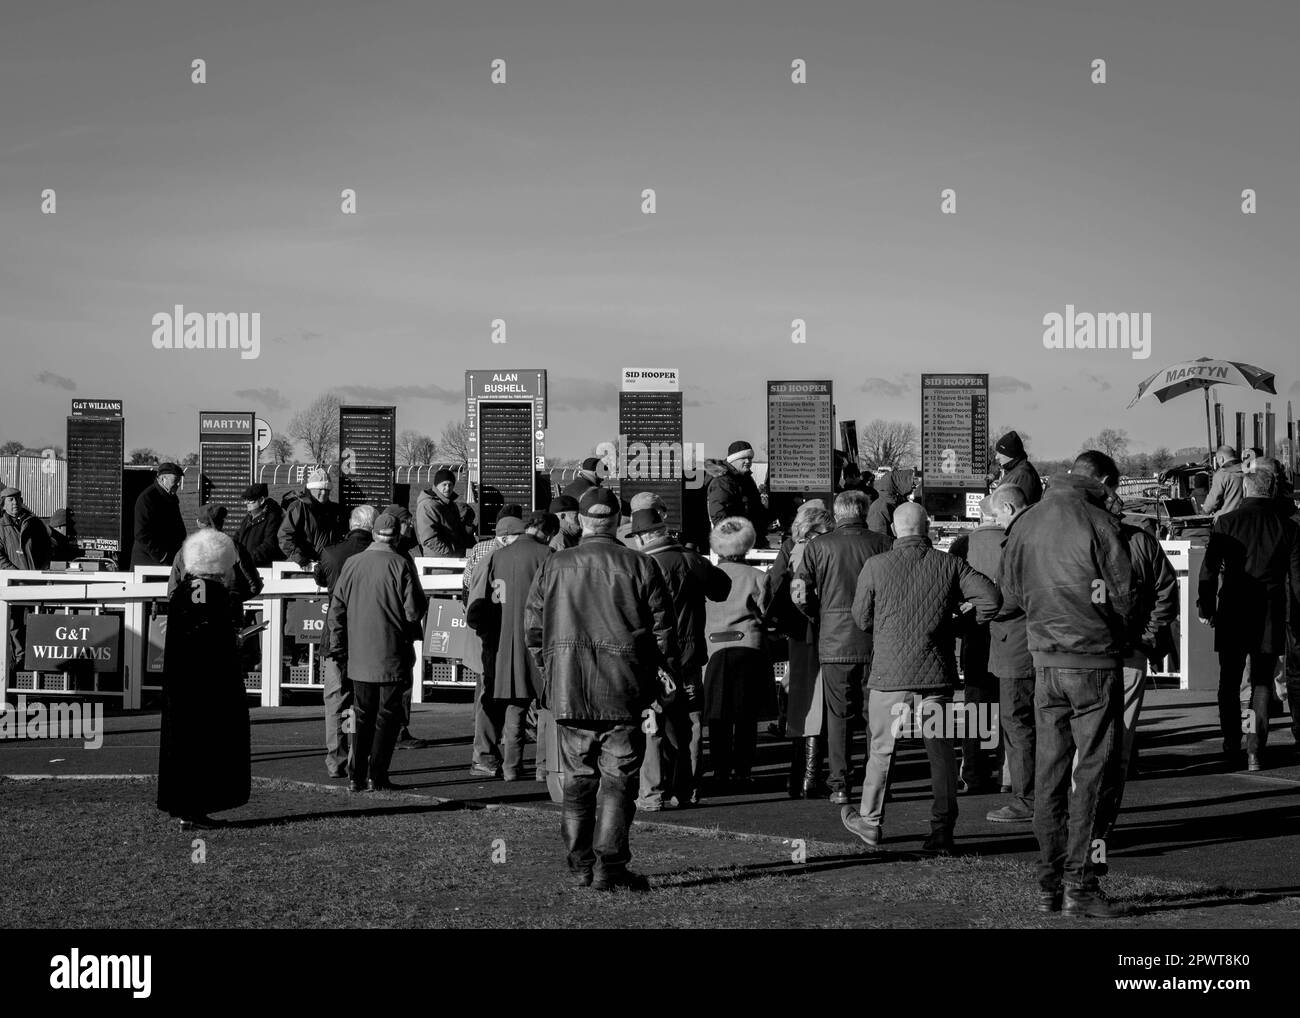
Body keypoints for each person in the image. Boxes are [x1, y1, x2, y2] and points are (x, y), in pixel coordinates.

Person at [999, 450, 1136, 919]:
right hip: (1093, 659)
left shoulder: (1027, 521)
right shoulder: (1099, 521)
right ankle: (1081, 883)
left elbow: (1011, 593)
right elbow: (1123, 594)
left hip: (1044, 660)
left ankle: (1049, 883)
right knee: (1091, 774)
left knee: (1049, 773)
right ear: (1102, 479)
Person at [524, 486, 676, 890]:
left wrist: (551, 670)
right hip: (623, 687)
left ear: (584, 521)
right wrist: (654, 676)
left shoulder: (556, 565)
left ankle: (581, 866)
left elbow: (534, 629)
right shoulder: (640, 565)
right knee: (619, 781)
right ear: (617, 520)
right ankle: (609, 865)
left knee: (578, 781)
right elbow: (663, 633)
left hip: (569, 686)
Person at [842, 502, 1000, 854]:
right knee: (940, 754)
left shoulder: (876, 566)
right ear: (927, 528)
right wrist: (958, 625)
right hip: (936, 673)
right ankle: (943, 830)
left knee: (881, 750)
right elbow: (990, 599)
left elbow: (861, 618)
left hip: (889, 675)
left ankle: (870, 822)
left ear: (896, 530)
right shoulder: (950, 564)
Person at [627, 506, 731, 809]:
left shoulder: (643, 564)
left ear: (645, 536)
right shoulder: (692, 559)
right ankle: (687, 789)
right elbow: (722, 588)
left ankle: (652, 792)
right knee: (690, 722)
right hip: (690, 656)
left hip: (654, 657)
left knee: (653, 722)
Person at [1198, 464, 1300, 771]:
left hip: (1233, 607)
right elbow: (1297, 581)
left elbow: (1209, 568)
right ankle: (1256, 748)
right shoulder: (1289, 527)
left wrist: (1206, 605)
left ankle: (1231, 741)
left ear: (1246, 489)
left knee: (1228, 680)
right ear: (1271, 491)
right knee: (1262, 681)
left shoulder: (1226, 522)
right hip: (1270, 611)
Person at [1095, 472, 1179, 842]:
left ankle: (1088, 824)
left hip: (1091, 654)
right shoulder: (1142, 542)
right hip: (1130, 653)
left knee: (1088, 740)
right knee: (1121, 741)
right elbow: (1166, 592)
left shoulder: (1086, 545)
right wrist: (1147, 637)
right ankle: (1103, 823)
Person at [795, 490, 891, 803]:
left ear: (837, 514)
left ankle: (839, 784)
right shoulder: (882, 543)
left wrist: (816, 615)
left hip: (834, 640)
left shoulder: (818, 546)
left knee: (839, 716)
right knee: (876, 717)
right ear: (864, 511)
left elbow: (800, 592)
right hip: (876, 640)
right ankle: (876, 783)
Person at [326, 511, 429, 792]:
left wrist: (338, 646)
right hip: (392, 654)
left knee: (360, 715)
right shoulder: (401, 564)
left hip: (358, 655)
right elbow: (413, 612)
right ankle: (377, 775)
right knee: (387, 716)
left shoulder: (352, 564)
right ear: (396, 536)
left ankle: (355, 775)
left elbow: (337, 610)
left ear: (373, 534)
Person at [156, 529, 251, 830]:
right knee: (207, 746)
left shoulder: (182, 593)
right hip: (209, 685)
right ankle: (197, 808)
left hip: (181, 684)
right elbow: (216, 642)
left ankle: (185, 807)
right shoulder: (217, 594)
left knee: (182, 746)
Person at [466, 512, 557, 781]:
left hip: (504, 643)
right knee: (546, 707)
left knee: (514, 706)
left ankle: (511, 767)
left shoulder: (496, 556)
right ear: (548, 532)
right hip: (540, 641)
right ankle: (543, 767)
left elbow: (478, 607)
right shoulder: (549, 554)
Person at [973, 486, 1036, 824]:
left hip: (1015, 645)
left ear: (1009, 507)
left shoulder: (1017, 540)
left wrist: (984, 609)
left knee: (1017, 725)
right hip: (1040, 643)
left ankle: (1026, 801)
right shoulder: (1040, 532)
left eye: (997, 515)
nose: (996, 522)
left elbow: (1008, 598)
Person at [767, 500, 834, 798]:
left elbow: (773, 585)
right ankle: (809, 776)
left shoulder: (790, 548)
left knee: (802, 702)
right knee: (816, 701)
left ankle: (798, 776)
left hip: (796, 633)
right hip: (816, 630)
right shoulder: (817, 550)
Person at [702, 516, 775, 787]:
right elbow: (766, 613)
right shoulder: (759, 577)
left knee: (719, 716)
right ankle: (743, 770)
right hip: (749, 647)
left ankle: (720, 770)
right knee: (746, 716)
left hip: (714, 649)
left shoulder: (707, 576)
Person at [948, 494, 1010, 795]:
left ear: (980, 517)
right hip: (1012, 636)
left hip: (975, 634)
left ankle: (973, 771)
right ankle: (1009, 773)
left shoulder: (962, 546)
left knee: (976, 706)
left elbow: (952, 593)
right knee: (1012, 706)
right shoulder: (1015, 541)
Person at [314, 505, 377, 778]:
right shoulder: (379, 555)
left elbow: (320, 577)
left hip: (336, 637)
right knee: (361, 702)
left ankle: (335, 759)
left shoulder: (330, 553)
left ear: (351, 524)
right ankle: (356, 756)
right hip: (368, 637)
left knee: (336, 700)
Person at [167, 504, 263, 606]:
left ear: (198, 523)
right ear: (222, 523)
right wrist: (234, 600)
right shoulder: (235, 548)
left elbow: (172, 592)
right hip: (226, 615)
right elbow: (255, 586)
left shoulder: (184, 551)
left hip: (193, 615)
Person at [278, 467, 343, 567]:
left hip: (327, 567)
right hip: (303, 568)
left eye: (327, 489)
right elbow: (284, 536)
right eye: (320, 489)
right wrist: (299, 558)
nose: (324, 492)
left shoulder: (335, 510)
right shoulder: (298, 507)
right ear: (311, 488)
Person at [704, 441, 767, 542]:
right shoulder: (723, 481)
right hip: (733, 543)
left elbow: (756, 510)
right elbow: (719, 515)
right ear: (733, 459)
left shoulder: (746, 479)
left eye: (750, 458)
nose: (748, 461)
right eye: (743, 458)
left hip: (750, 539)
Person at [130, 463, 187, 567]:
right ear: (162, 479)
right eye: (175, 480)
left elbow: (178, 527)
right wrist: (162, 556)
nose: (178, 484)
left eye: (179, 481)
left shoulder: (171, 498)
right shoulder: (147, 498)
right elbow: (141, 533)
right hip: (148, 562)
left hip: (168, 560)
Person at [416, 468, 475, 557]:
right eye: (444, 484)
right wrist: (453, 553)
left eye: (450, 485)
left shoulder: (450, 504)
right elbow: (429, 539)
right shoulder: (428, 505)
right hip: (438, 562)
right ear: (436, 485)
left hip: (451, 559)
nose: (447, 488)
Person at [235, 484, 284, 567]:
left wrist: (249, 559)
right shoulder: (247, 518)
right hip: (246, 567)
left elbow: (270, 544)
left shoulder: (273, 517)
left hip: (264, 569)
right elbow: (237, 539)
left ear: (261, 500)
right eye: (246, 499)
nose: (246, 503)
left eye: (250, 500)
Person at [993, 431, 1043, 507]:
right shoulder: (1012, 471)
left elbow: (1020, 510)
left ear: (1010, 454)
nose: (996, 457)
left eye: (1000, 453)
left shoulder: (1023, 475)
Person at [1202, 445, 1245, 520]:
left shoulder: (1222, 475)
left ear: (1221, 459)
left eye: (1218, 460)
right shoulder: (1248, 471)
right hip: (1245, 519)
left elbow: (1213, 501)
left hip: (1225, 521)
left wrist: (1204, 512)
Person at [866, 468, 912, 537]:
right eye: (911, 484)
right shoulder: (879, 509)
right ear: (897, 486)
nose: (913, 487)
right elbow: (879, 540)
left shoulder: (896, 503)